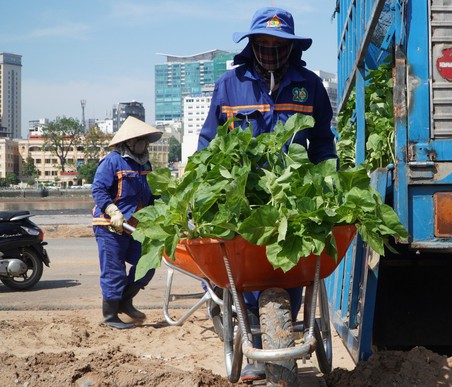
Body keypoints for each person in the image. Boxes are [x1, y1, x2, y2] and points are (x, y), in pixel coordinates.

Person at [198, 6, 337, 381]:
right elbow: (209, 141)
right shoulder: (230, 85)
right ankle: (250, 331)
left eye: (279, 44)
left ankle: (283, 329)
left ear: (291, 47)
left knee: (291, 267)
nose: (270, 50)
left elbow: (323, 141)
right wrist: (204, 187)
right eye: (263, 43)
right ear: (252, 45)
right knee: (239, 271)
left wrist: (327, 178)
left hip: (292, 196)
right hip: (243, 197)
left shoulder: (309, 85)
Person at [91, 116, 164, 329]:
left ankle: (125, 301)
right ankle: (110, 316)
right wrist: (112, 210)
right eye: (141, 140)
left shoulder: (145, 164)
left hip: (134, 226)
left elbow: (151, 197)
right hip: (110, 226)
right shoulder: (112, 161)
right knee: (114, 270)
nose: (145, 145)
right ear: (130, 142)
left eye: (146, 141)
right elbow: (98, 189)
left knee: (148, 263)